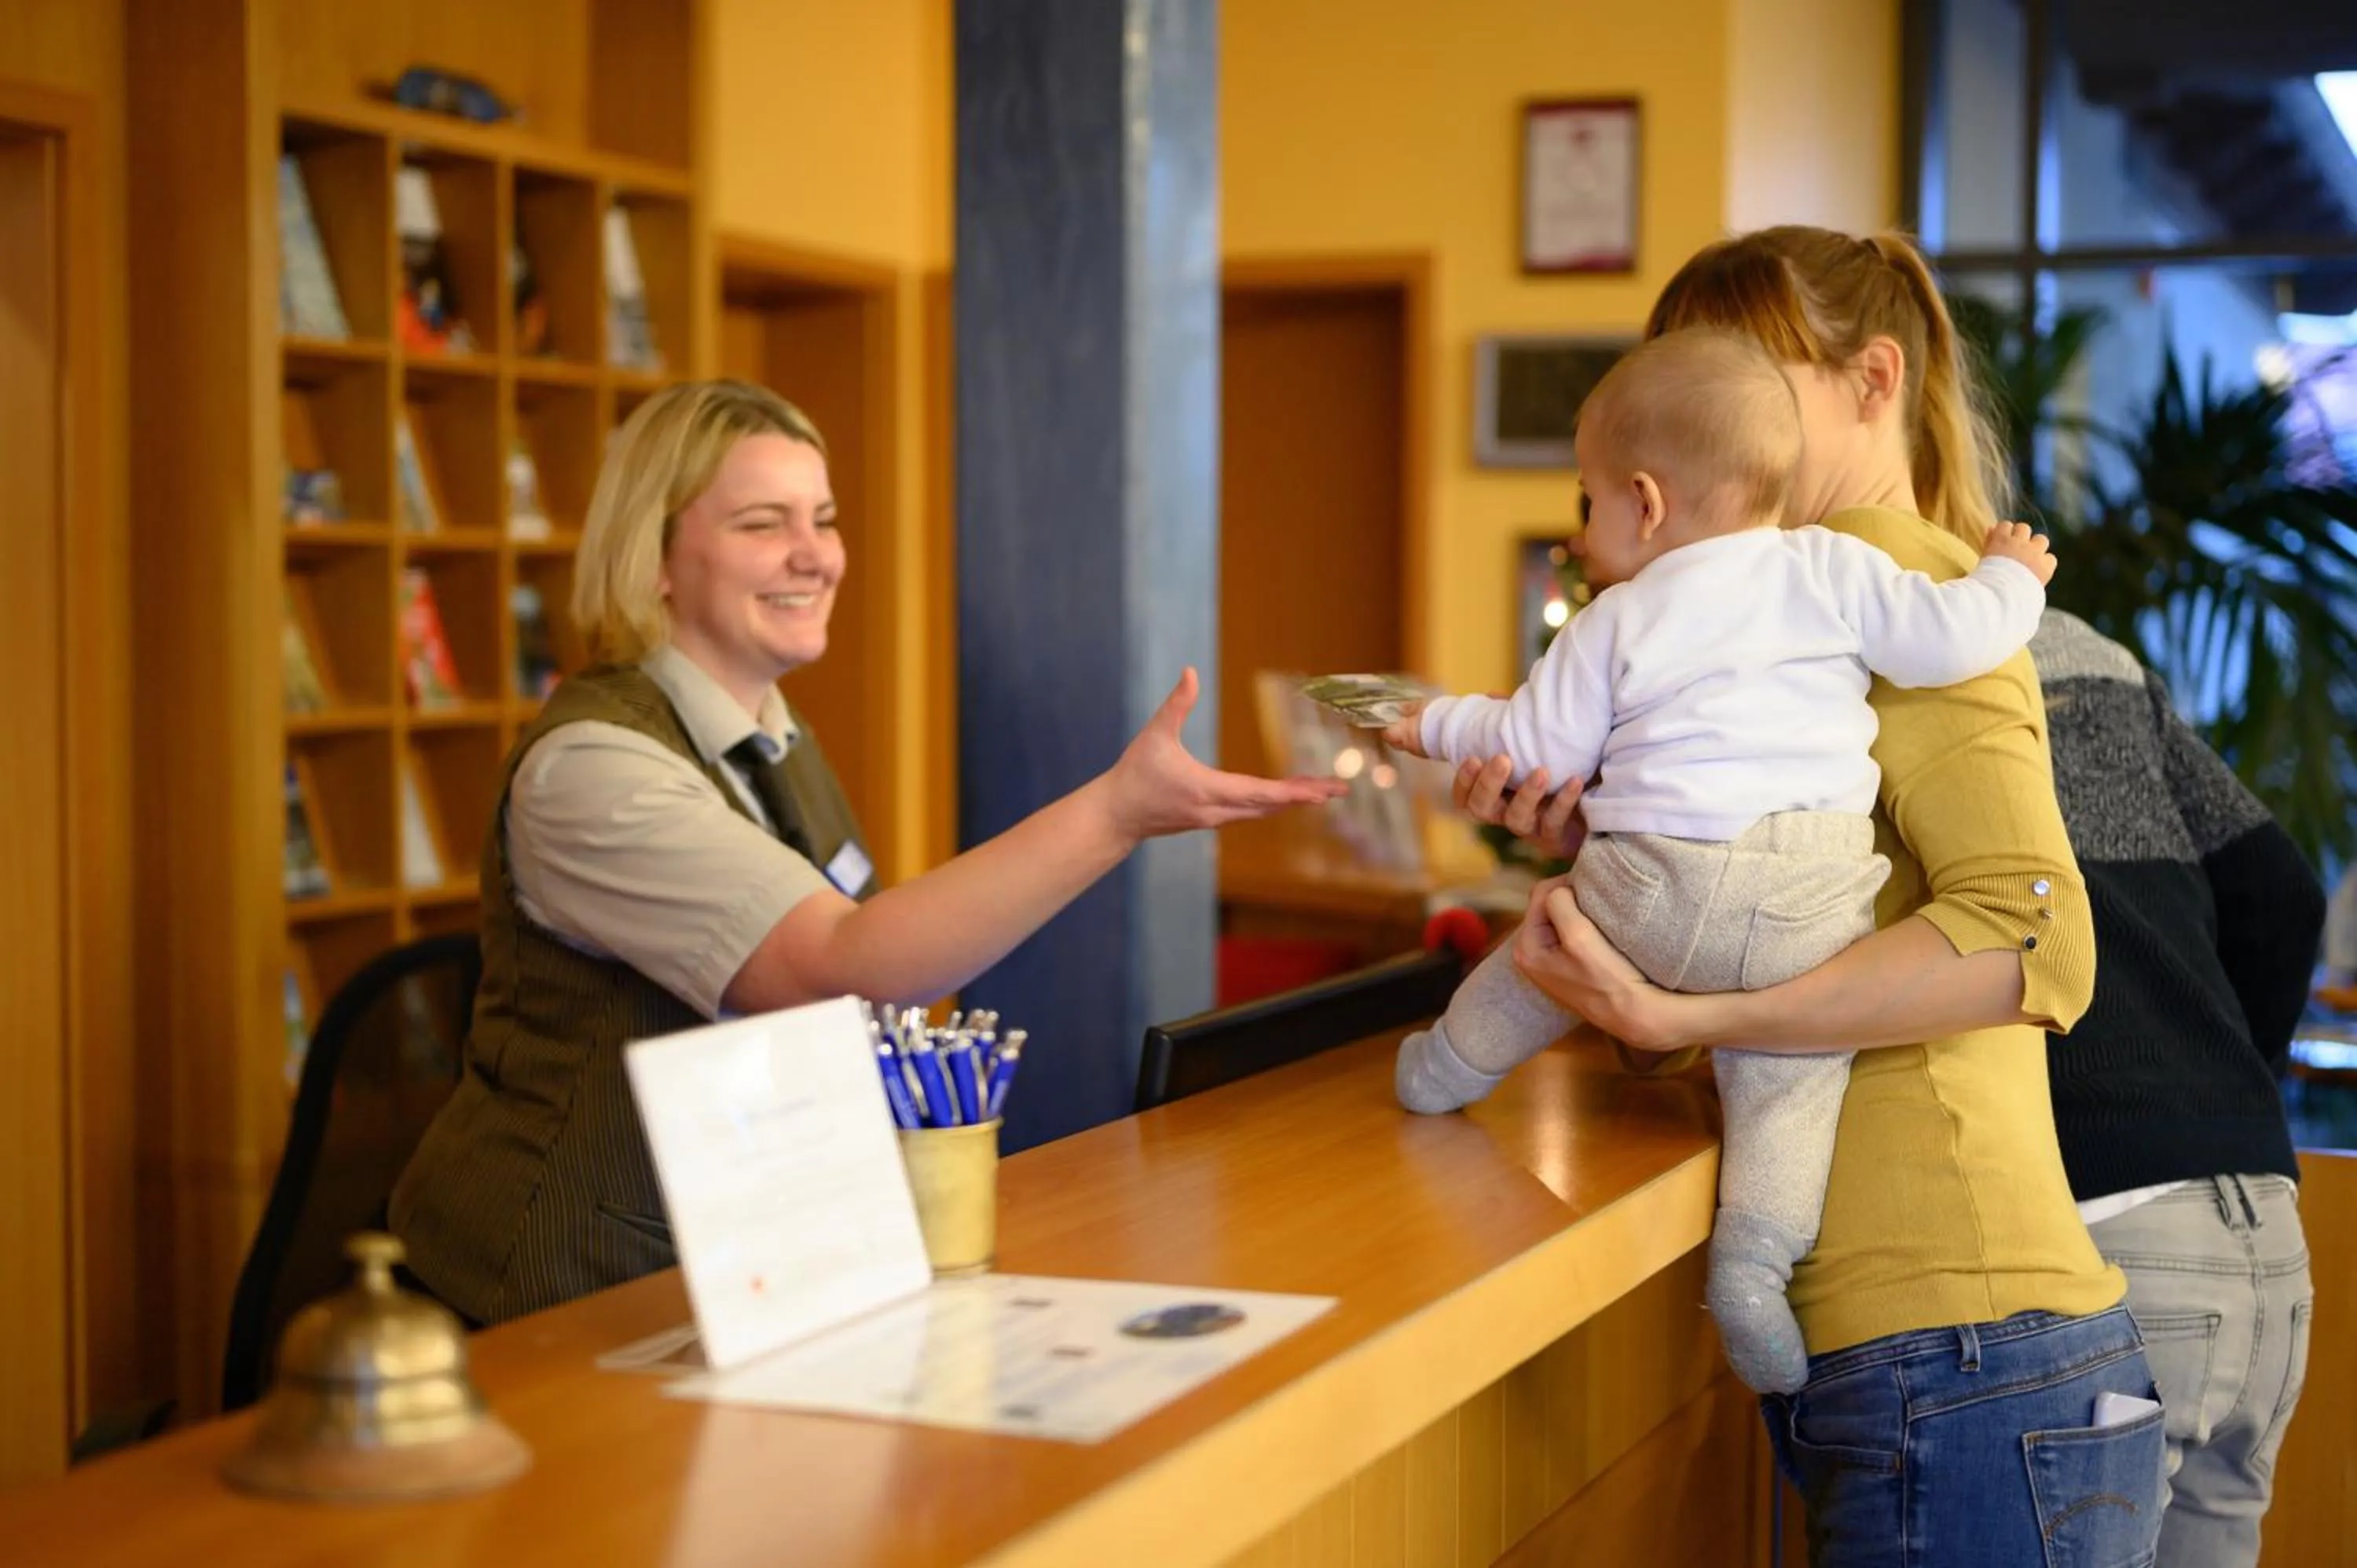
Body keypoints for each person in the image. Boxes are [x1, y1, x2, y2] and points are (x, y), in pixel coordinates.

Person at [1450, 227, 2164, 1568]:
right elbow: (1751, 955)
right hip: (1926, 1356)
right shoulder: (1766, 611)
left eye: (1739, 371)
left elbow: (2034, 944)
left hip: (1958, 1348)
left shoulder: (1890, 583)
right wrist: (1600, 848)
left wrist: (1690, 1018)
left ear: (1870, 382)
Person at [390, 379, 1343, 1327]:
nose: (815, 555)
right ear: (656, 559)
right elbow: (837, 968)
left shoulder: (776, 734)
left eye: (825, 518)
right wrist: (1116, 813)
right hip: (553, 1304)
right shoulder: (591, 770)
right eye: (764, 523)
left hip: (746, 1274)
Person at [1381, 327, 2058, 1396]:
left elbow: (1532, 744)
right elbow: (1955, 638)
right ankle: (1753, 1264)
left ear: (1646, 503)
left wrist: (1430, 724)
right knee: (1791, 1086)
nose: (1583, 530)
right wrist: (2011, 576)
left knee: (1546, 950)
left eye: (1587, 500)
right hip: (1807, 904)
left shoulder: (1613, 619)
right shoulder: (1832, 566)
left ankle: (1443, 1070)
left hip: (1651, 884)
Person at [2026, 606, 2321, 1568]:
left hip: (2119, 1231)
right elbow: (2284, 889)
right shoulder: (2084, 648)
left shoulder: (1866, 646)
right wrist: (2224, 1098)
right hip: (2267, 1235)